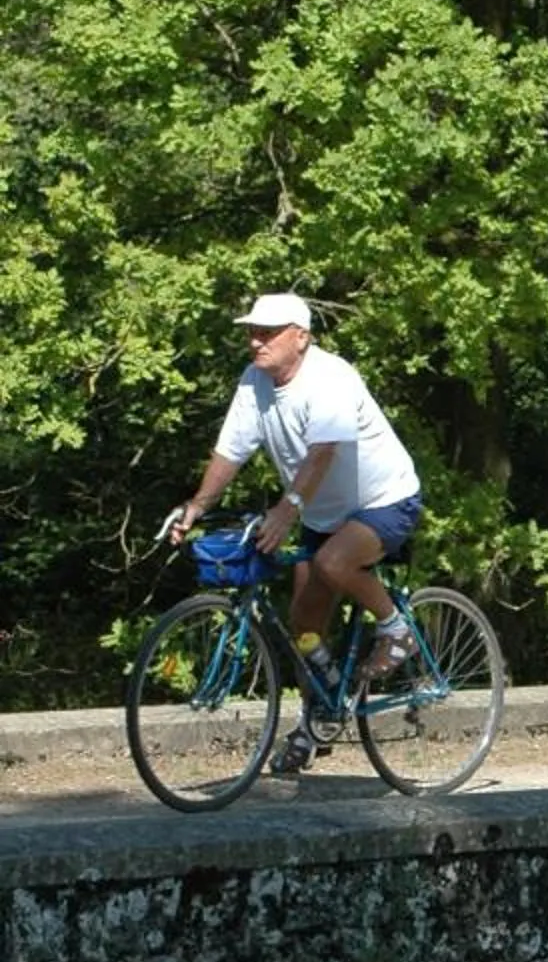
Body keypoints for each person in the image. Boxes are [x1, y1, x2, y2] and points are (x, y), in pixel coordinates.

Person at [169, 291, 425, 770]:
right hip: (322, 513)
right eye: (251, 332)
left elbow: (323, 451)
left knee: (333, 562)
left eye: (267, 332)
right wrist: (197, 506)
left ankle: (396, 630)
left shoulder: (330, 377)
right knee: (305, 626)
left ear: (300, 337)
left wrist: (287, 510)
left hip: (385, 500)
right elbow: (230, 452)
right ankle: (321, 717)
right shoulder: (254, 383)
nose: (255, 341)